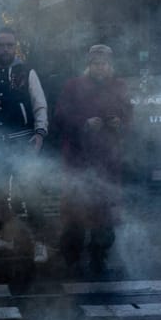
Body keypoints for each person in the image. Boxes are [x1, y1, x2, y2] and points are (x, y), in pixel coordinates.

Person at [49, 44, 132, 278]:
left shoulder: (119, 86)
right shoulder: (73, 86)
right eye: (95, 63)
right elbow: (60, 117)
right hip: (78, 158)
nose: (100, 68)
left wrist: (120, 124)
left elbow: (129, 118)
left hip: (107, 159)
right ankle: (72, 257)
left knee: (103, 211)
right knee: (75, 208)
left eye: (104, 63)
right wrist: (84, 123)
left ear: (110, 65)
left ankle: (99, 256)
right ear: (89, 65)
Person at [0, 28, 50, 266]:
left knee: (30, 194)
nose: (5, 49)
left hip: (23, 142)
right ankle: (6, 237)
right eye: (1, 45)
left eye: (9, 45)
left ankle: (40, 243)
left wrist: (40, 134)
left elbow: (40, 104)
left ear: (15, 46)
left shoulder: (26, 72)